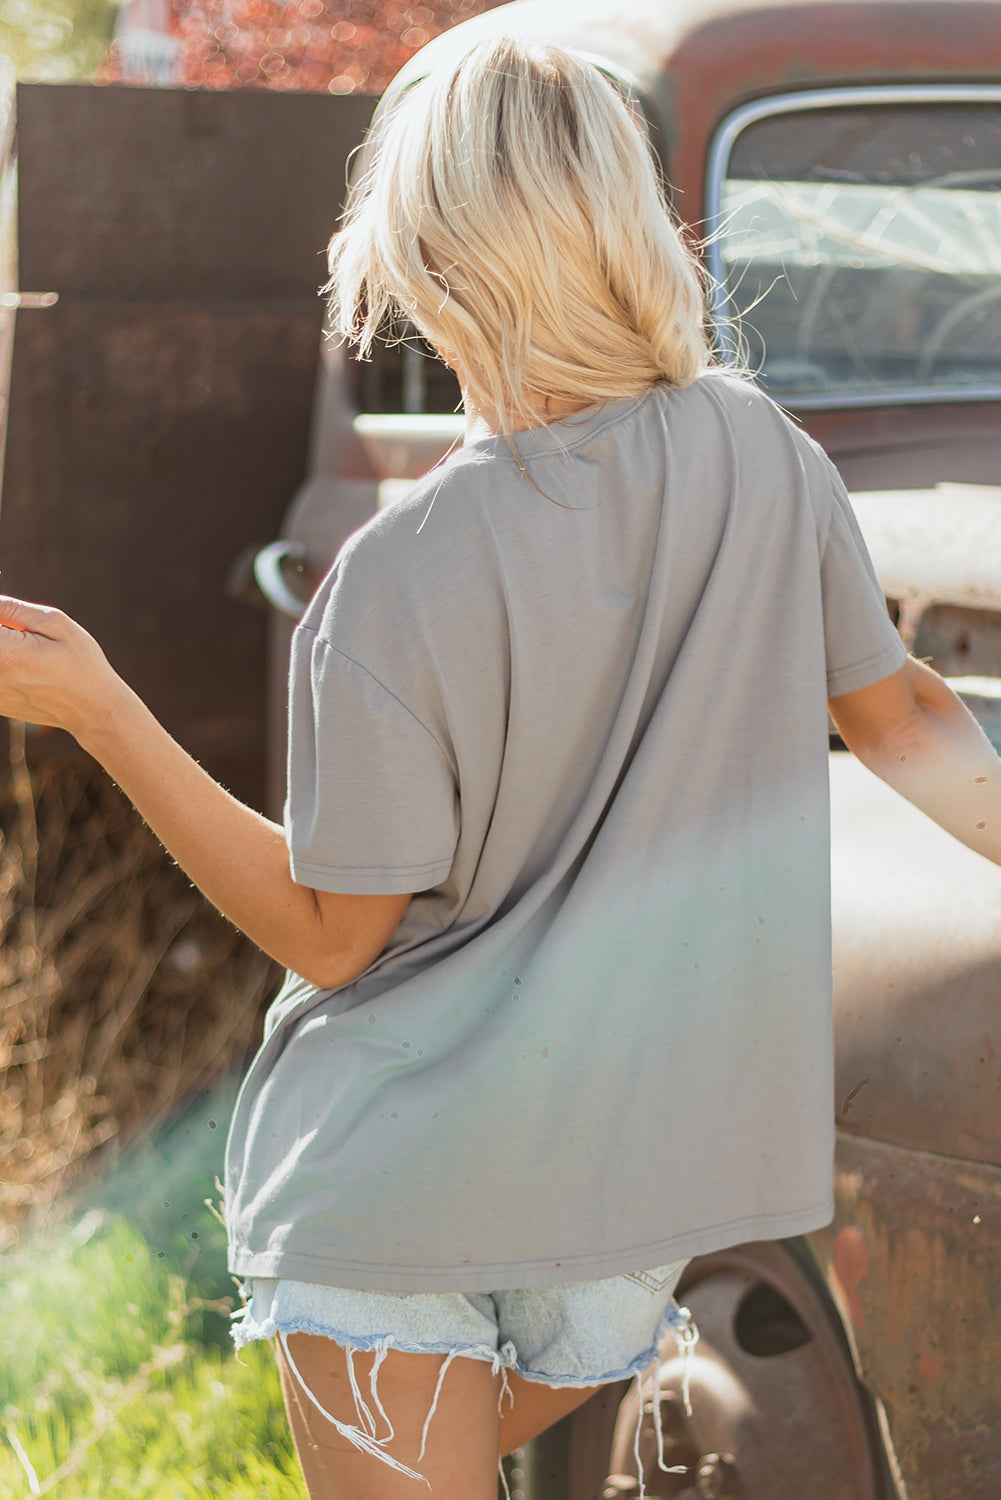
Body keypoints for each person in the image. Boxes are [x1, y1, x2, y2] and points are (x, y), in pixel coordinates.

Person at [1, 33, 999, 1500]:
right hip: (645, 1200)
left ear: (426, 258)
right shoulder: (760, 456)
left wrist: (102, 709)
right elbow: (907, 720)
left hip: (401, 1191)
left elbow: (333, 942)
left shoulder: (396, 573)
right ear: (619, 223)